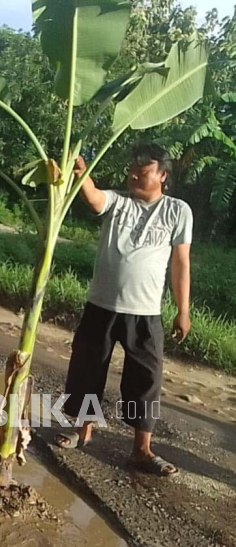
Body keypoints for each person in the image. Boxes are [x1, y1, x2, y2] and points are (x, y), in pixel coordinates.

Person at [56, 144, 192, 477]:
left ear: (162, 175)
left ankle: (141, 449)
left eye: (142, 171)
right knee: (89, 369)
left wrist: (182, 309)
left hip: (145, 312)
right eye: (131, 169)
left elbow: (180, 262)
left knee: (145, 380)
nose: (133, 175)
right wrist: (80, 173)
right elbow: (93, 198)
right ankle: (84, 430)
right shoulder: (118, 202)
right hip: (101, 305)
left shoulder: (177, 211)